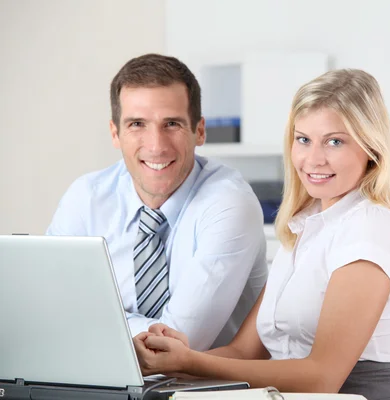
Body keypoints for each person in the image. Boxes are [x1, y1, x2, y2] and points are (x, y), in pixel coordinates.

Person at [133, 68, 390, 400]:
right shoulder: (305, 226)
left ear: (371, 148)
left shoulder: (369, 228)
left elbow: (322, 379)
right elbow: (244, 354)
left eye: (335, 141)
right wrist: (171, 361)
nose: (313, 159)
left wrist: (193, 362)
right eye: (303, 139)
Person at [46, 53, 268, 351]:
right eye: (137, 124)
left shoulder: (229, 203)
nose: (156, 146)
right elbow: (49, 311)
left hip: (207, 389)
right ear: (116, 133)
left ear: (199, 131)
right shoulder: (85, 198)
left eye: (172, 124)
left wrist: (95, 319)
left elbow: (180, 343)